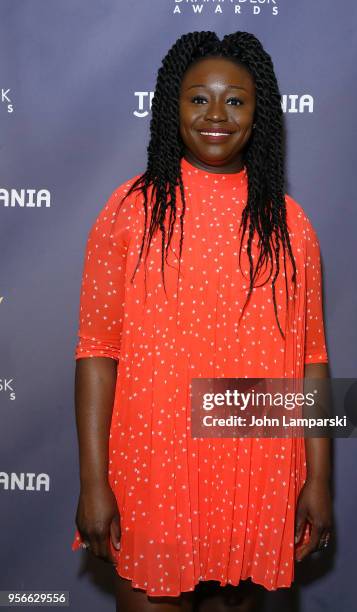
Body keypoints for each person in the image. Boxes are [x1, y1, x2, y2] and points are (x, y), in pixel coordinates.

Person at [71, 31, 333, 612]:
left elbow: (312, 362)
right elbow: (96, 352)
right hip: (154, 474)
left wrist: (317, 478)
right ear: (172, 106)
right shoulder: (128, 212)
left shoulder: (291, 227)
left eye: (235, 100)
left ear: (258, 112)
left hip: (254, 475)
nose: (217, 114)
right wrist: (94, 482)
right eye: (199, 98)